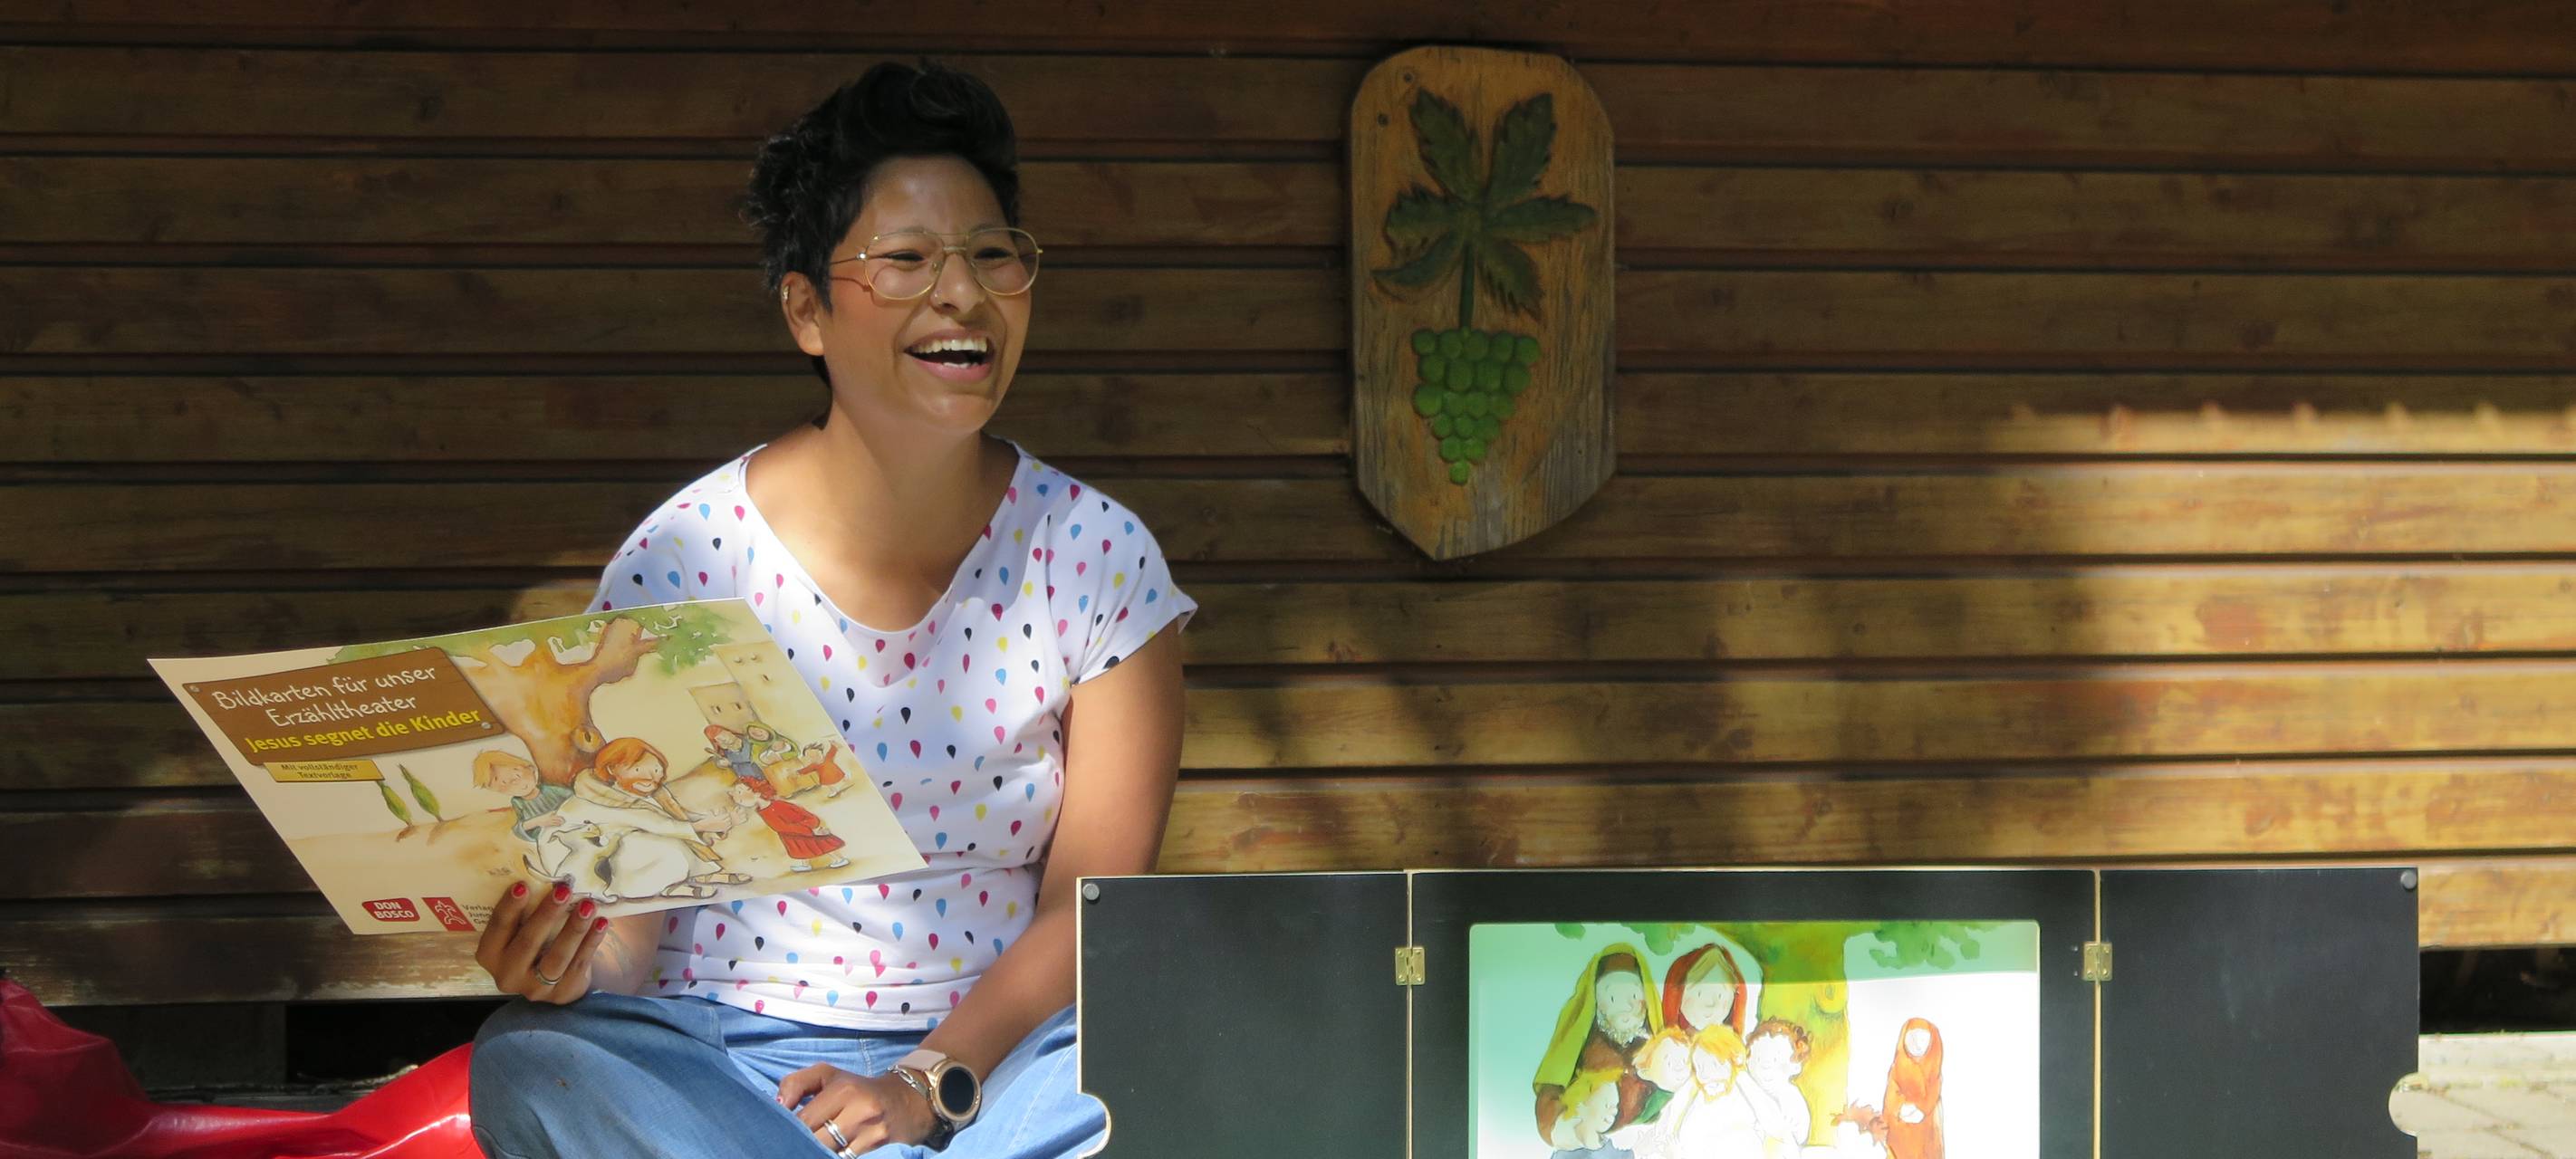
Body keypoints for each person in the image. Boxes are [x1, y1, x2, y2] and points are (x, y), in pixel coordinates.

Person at [466, 60, 1193, 1159]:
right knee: (532, 1057)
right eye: (906, 260)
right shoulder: (689, 555)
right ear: (806, 309)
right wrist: (567, 960)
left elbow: (1085, 915)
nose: (964, 294)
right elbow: (633, 920)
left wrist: (922, 1079)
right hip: (718, 1063)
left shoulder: (1097, 557)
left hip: (988, 1070)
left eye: (993, 254)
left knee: (1149, 1060)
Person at [1882, 1019, 1944, 1159]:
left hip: (1925, 1128)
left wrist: (1922, 1109)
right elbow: (1891, 1093)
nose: (1917, 1044)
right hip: (1901, 1127)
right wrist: (1900, 1107)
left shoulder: (1934, 1071)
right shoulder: (1897, 1068)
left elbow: (1933, 1094)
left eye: (1923, 1039)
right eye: (1912, 1038)